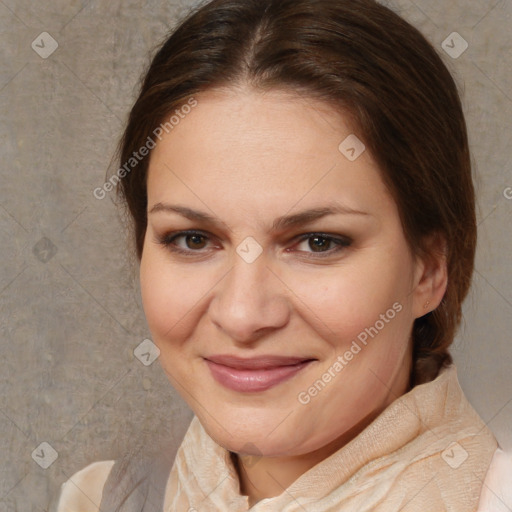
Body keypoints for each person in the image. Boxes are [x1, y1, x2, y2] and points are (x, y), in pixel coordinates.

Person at [51, 0, 512, 510]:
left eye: (318, 242)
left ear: (428, 269)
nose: (243, 315)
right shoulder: (97, 500)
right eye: (193, 239)